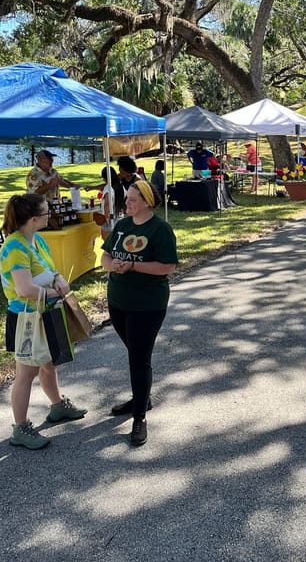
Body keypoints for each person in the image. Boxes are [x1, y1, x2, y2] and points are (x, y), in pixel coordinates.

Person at [0, 193, 86, 450]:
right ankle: (20, 427)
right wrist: (55, 292)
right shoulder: (14, 247)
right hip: (26, 316)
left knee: (48, 362)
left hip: (43, 311)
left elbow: (50, 269)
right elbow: (24, 288)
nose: (51, 215)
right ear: (34, 219)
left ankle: (58, 405)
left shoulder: (36, 240)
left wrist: (58, 279)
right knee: (26, 373)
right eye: (47, 212)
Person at [101, 180, 178, 446]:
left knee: (139, 359)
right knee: (134, 352)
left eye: (133, 199)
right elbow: (105, 257)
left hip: (147, 304)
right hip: (118, 301)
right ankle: (141, 397)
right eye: (127, 199)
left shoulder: (160, 229)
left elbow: (167, 266)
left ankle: (139, 417)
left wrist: (133, 266)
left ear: (147, 201)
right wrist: (115, 266)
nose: (127, 204)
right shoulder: (122, 226)